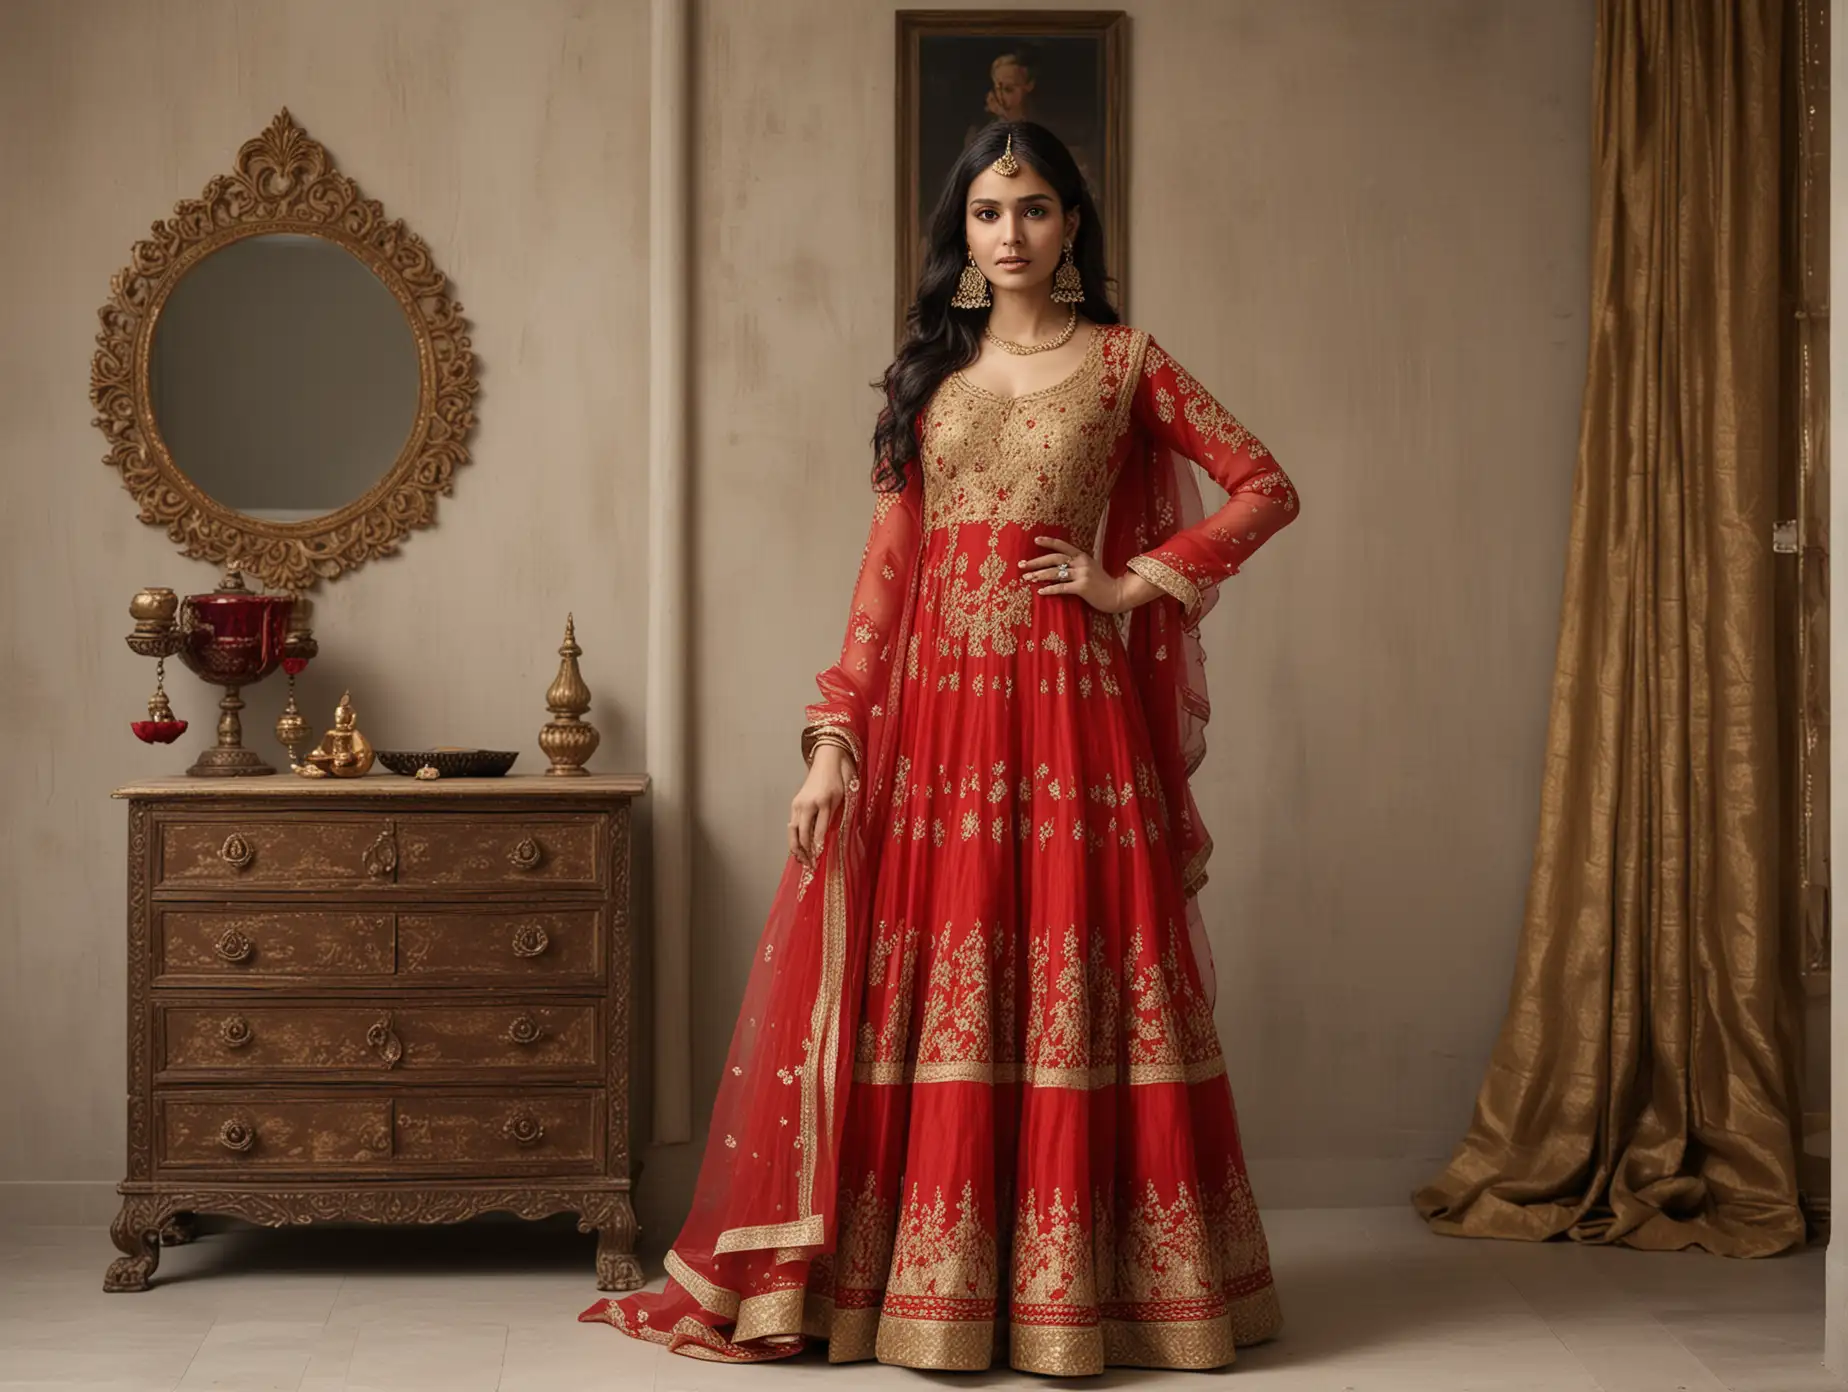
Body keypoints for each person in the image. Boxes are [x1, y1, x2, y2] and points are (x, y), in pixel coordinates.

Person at [581, 120, 1299, 1377]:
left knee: (1076, 983)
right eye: (984, 213)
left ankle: (1093, 1297)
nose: (1008, 233)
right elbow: (887, 574)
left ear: (1072, 225)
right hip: (933, 726)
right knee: (935, 989)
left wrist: (1134, 583)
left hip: (1072, 721)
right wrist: (833, 740)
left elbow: (1263, 485)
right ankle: (919, 1294)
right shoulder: (933, 375)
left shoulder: (1128, 365)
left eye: (1031, 209)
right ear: (959, 235)